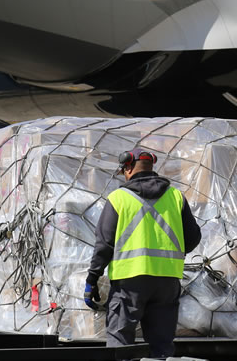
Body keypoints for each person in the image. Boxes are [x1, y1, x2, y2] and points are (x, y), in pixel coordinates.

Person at [84, 148, 202, 358]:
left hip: (129, 281)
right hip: (167, 281)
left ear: (128, 167)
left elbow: (104, 244)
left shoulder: (118, 198)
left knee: (120, 342)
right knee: (161, 345)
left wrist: (92, 279)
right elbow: (192, 239)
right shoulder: (176, 196)